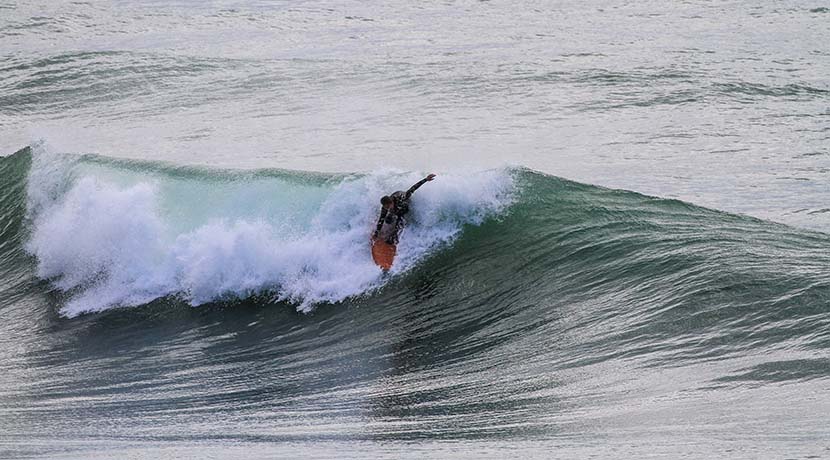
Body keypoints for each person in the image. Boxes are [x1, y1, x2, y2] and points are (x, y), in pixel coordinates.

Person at [373, 174, 436, 245]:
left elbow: (413, 188)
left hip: (405, 206)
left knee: (399, 221)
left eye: (388, 207)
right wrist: (376, 232)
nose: (386, 208)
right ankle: (392, 223)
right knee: (387, 220)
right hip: (396, 207)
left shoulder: (401, 198)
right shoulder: (385, 207)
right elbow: (381, 219)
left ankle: (395, 235)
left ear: (391, 202)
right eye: (385, 207)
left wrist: (426, 179)